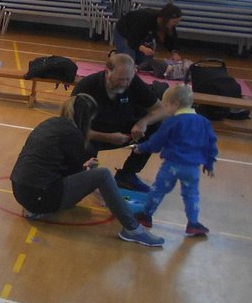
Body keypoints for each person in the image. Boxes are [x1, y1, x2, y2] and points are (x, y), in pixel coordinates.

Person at [10, 94, 165, 247]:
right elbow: (73, 172)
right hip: (40, 196)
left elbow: (52, 165)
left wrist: (84, 169)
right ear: (86, 119)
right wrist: (87, 170)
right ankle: (133, 229)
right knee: (103, 175)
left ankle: (35, 208)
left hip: (21, 192)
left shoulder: (50, 124)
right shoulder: (72, 134)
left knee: (85, 178)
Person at [71, 52, 169, 192]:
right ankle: (84, 174)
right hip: (93, 135)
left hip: (123, 131)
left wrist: (142, 123)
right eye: (120, 79)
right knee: (82, 145)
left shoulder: (133, 82)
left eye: (128, 79)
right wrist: (107, 137)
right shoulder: (87, 87)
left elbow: (160, 110)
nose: (124, 83)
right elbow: (73, 129)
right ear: (107, 72)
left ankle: (127, 175)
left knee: (156, 126)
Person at [133, 85, 218, 237]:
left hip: (172, 166)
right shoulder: (204, 122)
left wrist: (142, 148)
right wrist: (209, 163)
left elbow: (157, 141)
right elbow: (211, 144)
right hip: (192, 168)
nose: (165, 109)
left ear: (175, 104)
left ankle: (145, 216)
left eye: (166, 105)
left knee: (158, 190)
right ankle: (193, 223)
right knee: (192, 194)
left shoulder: (172, 122)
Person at [113, 2, 183, 74]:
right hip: (124, 34)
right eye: (174, 21)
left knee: (146, 64)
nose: (176, 24)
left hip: (142, 37)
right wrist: (143, 48)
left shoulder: (168, 26)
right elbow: (132, 40)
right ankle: (117, 53)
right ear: (165, 19)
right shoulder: (144, 19)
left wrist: (174, 53)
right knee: (129, 63)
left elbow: (172, 40)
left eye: (178, 22)